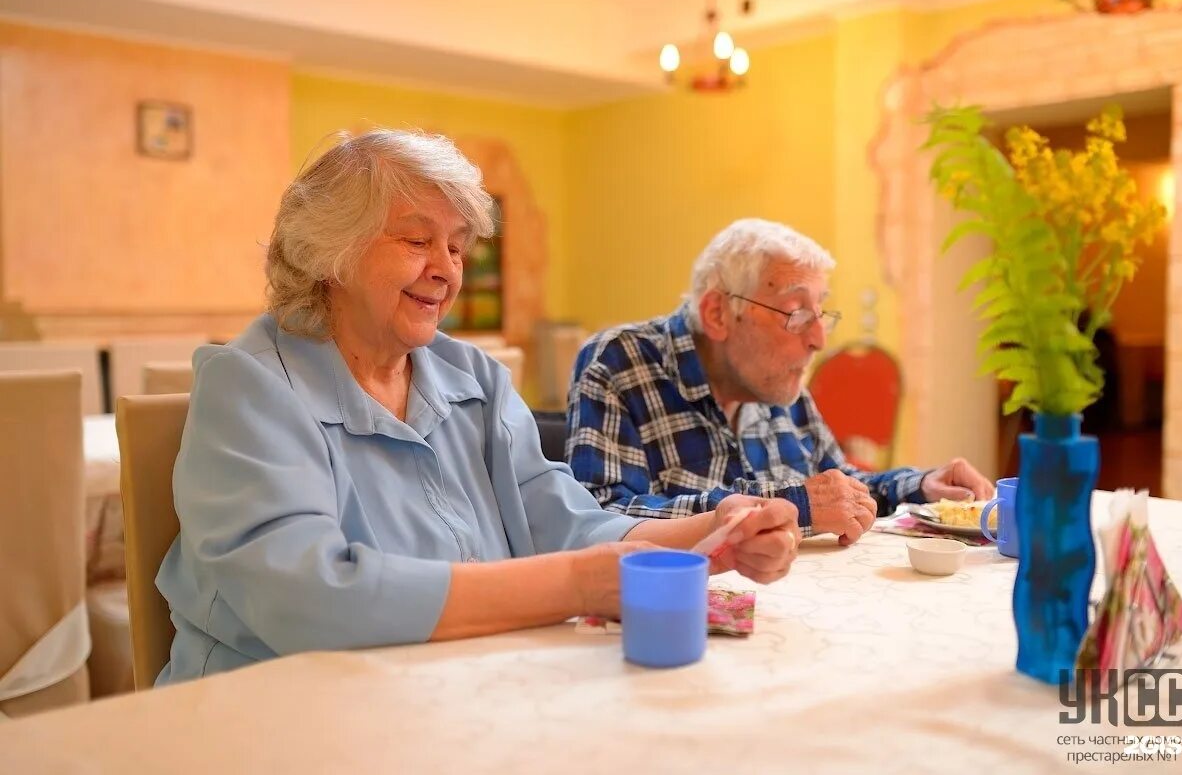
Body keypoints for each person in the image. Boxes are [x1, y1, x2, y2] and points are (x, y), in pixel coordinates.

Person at [156, 133, 799, 684]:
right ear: (331, 252)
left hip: (455, 694)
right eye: (417, 240)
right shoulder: (252, 386)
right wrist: (577, 586)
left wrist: (715, 532)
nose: (447, 271)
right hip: (280, 718)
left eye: (459, 248)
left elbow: (565, 522)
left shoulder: (474, 379)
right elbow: (310, 597)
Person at [566, 218, 993, 546]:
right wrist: (789, 505)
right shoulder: (621, 362)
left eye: (820, 312)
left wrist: (920, 486)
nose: (819, 339)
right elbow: (602, 517)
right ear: (718, 314)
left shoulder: (776, 380)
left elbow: (837, 484)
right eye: (796, 314)